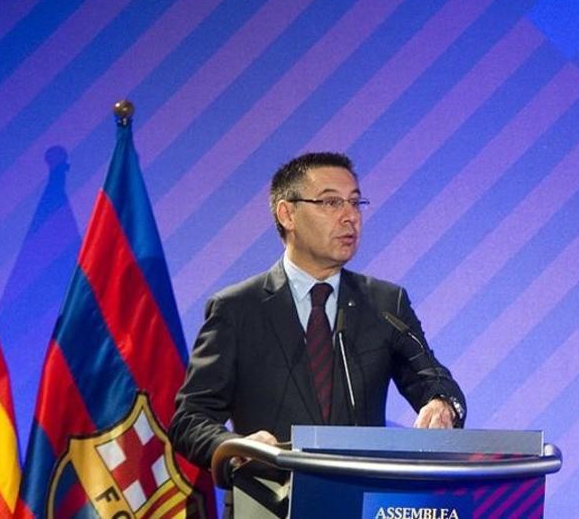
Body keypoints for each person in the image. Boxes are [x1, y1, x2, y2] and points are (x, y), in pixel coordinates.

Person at [169, 152, 466, 484]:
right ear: (287, 214)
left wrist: (441, 403)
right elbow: (190, 418)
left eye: (355, 203)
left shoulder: (385, 304)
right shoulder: (237, 309)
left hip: (362, 500)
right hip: (270, 500)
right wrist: (233, 446)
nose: (350, 216)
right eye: (331, 203)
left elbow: (431, 378)